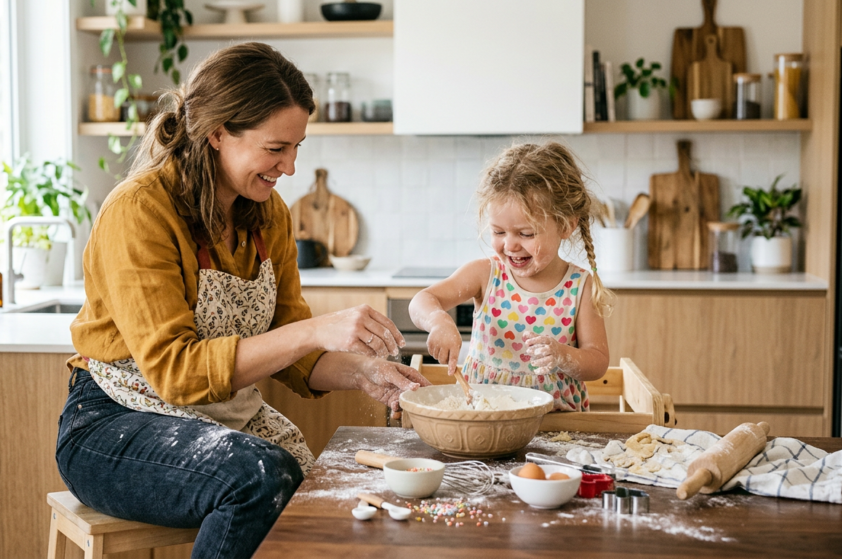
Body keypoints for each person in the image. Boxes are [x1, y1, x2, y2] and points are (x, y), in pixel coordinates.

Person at [55, 42, 429, 559]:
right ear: (217, 132)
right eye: (276, 149)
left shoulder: (268, 214)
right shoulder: (139, 211)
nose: (291, 167)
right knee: (260, 476)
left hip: (222, 419)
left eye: (297, 147)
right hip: (111, 425)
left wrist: (365, 372)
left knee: (310, 482)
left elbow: (297, 360)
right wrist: (315, 330)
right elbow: (175, 372)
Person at [408, 141, 611, 411]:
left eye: (526, 234)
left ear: (565, 225)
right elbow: (423, 299)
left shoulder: (579, 287)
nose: (511, 245)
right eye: (499, 232)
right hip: (485, 417)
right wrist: (437, 320)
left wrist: (561, 355)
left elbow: (597, 361)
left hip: (555, 426)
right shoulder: (485, 274)